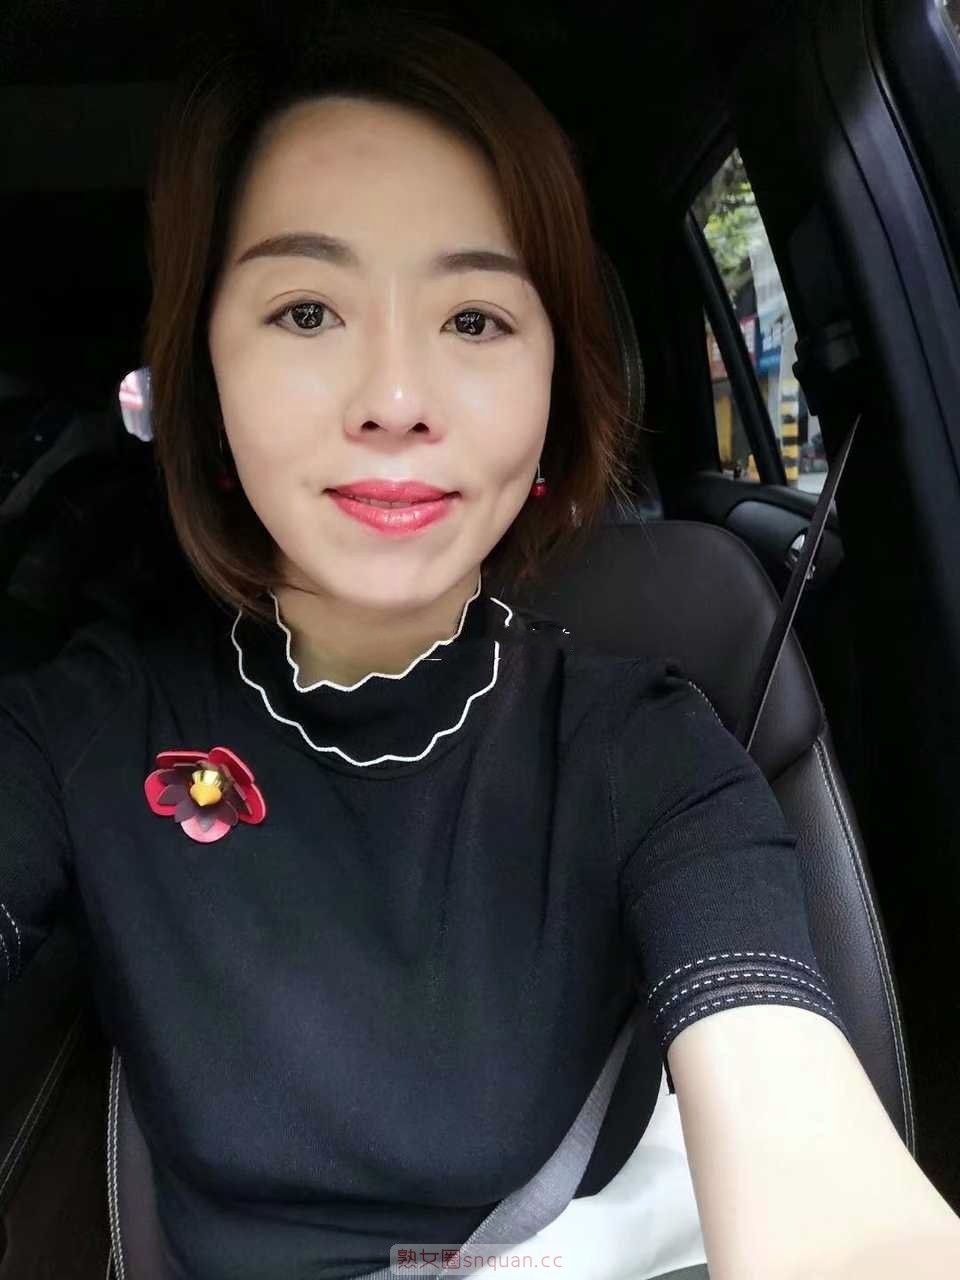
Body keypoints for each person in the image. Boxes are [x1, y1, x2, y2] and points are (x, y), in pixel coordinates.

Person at [3, 7, 960, 1279]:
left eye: (474, 321)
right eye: (306, 310)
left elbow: (814, 1156)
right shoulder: (77, 730)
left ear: (553, 385)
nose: (396, 401)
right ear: (203, 377)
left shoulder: (648, 745)